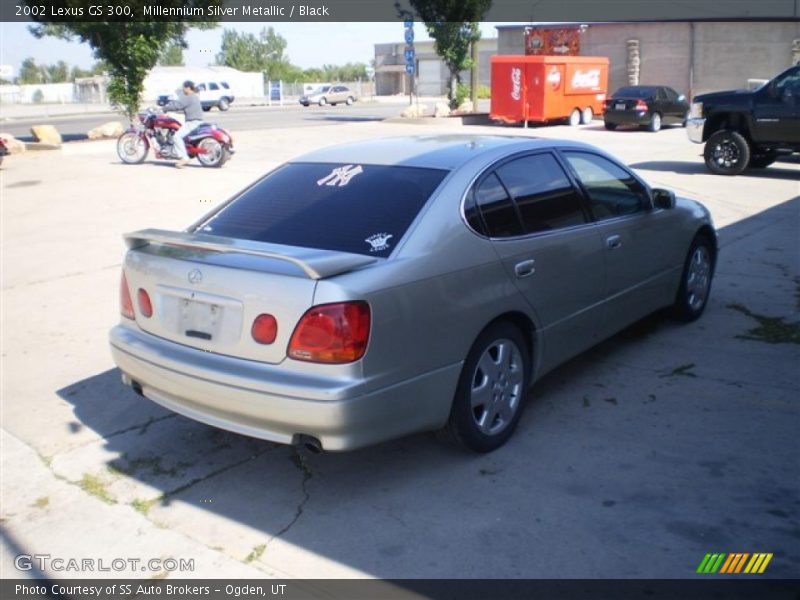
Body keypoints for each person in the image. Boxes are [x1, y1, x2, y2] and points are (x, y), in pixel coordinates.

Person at [163, 80, 203, 168]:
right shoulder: (194, 96)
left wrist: (165, 108)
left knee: (176, 137)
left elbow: (178, 105)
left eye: (184, 88)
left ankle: (184, 158)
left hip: (192, 122)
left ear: (188, 88)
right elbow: (183, 107)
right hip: (197, 121)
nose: (183, 90)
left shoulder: (188, 96)